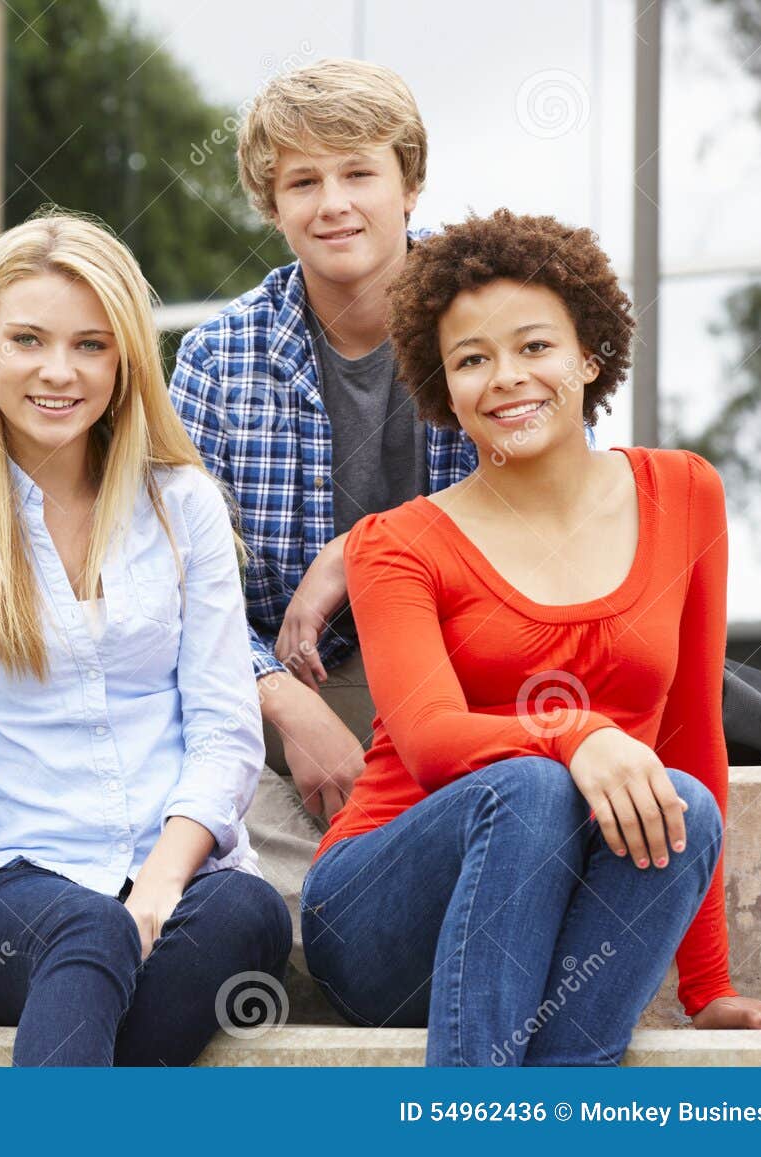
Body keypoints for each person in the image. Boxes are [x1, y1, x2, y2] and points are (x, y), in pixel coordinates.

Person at [300, 208, 761, 1065]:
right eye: (472, 359)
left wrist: (707, 989)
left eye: (534, 347)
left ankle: (559, 1104)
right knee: (529, 787)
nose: (506, 378)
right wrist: (577, 731)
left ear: (589, 355)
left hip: (562, 914)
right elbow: (432, 740)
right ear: (444, 389)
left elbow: (690, 736)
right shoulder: (397, 544)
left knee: (689, 806)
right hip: (383, 916)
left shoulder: (684, 494)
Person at [0, 213, 291, 1067]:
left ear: (124, 362)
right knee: (90, 932)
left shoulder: (182, 503)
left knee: (240, 914)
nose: (59, 370)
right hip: (28, 888)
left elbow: (228, 728)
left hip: (196, 881)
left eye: (91, 344)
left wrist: (157, 887)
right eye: (30, 340)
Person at [169, 59, 477, 982]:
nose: (332, 203)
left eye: (358, 173)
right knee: (212, 813)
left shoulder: (492, 315)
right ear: (272, 202)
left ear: (410, 183)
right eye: (303, 180)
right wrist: (285, 702)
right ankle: (362, 946)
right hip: (273, 695)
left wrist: (360, 548)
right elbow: (176, 579)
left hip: (464, 679)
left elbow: (551, 519)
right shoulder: (219, 358)